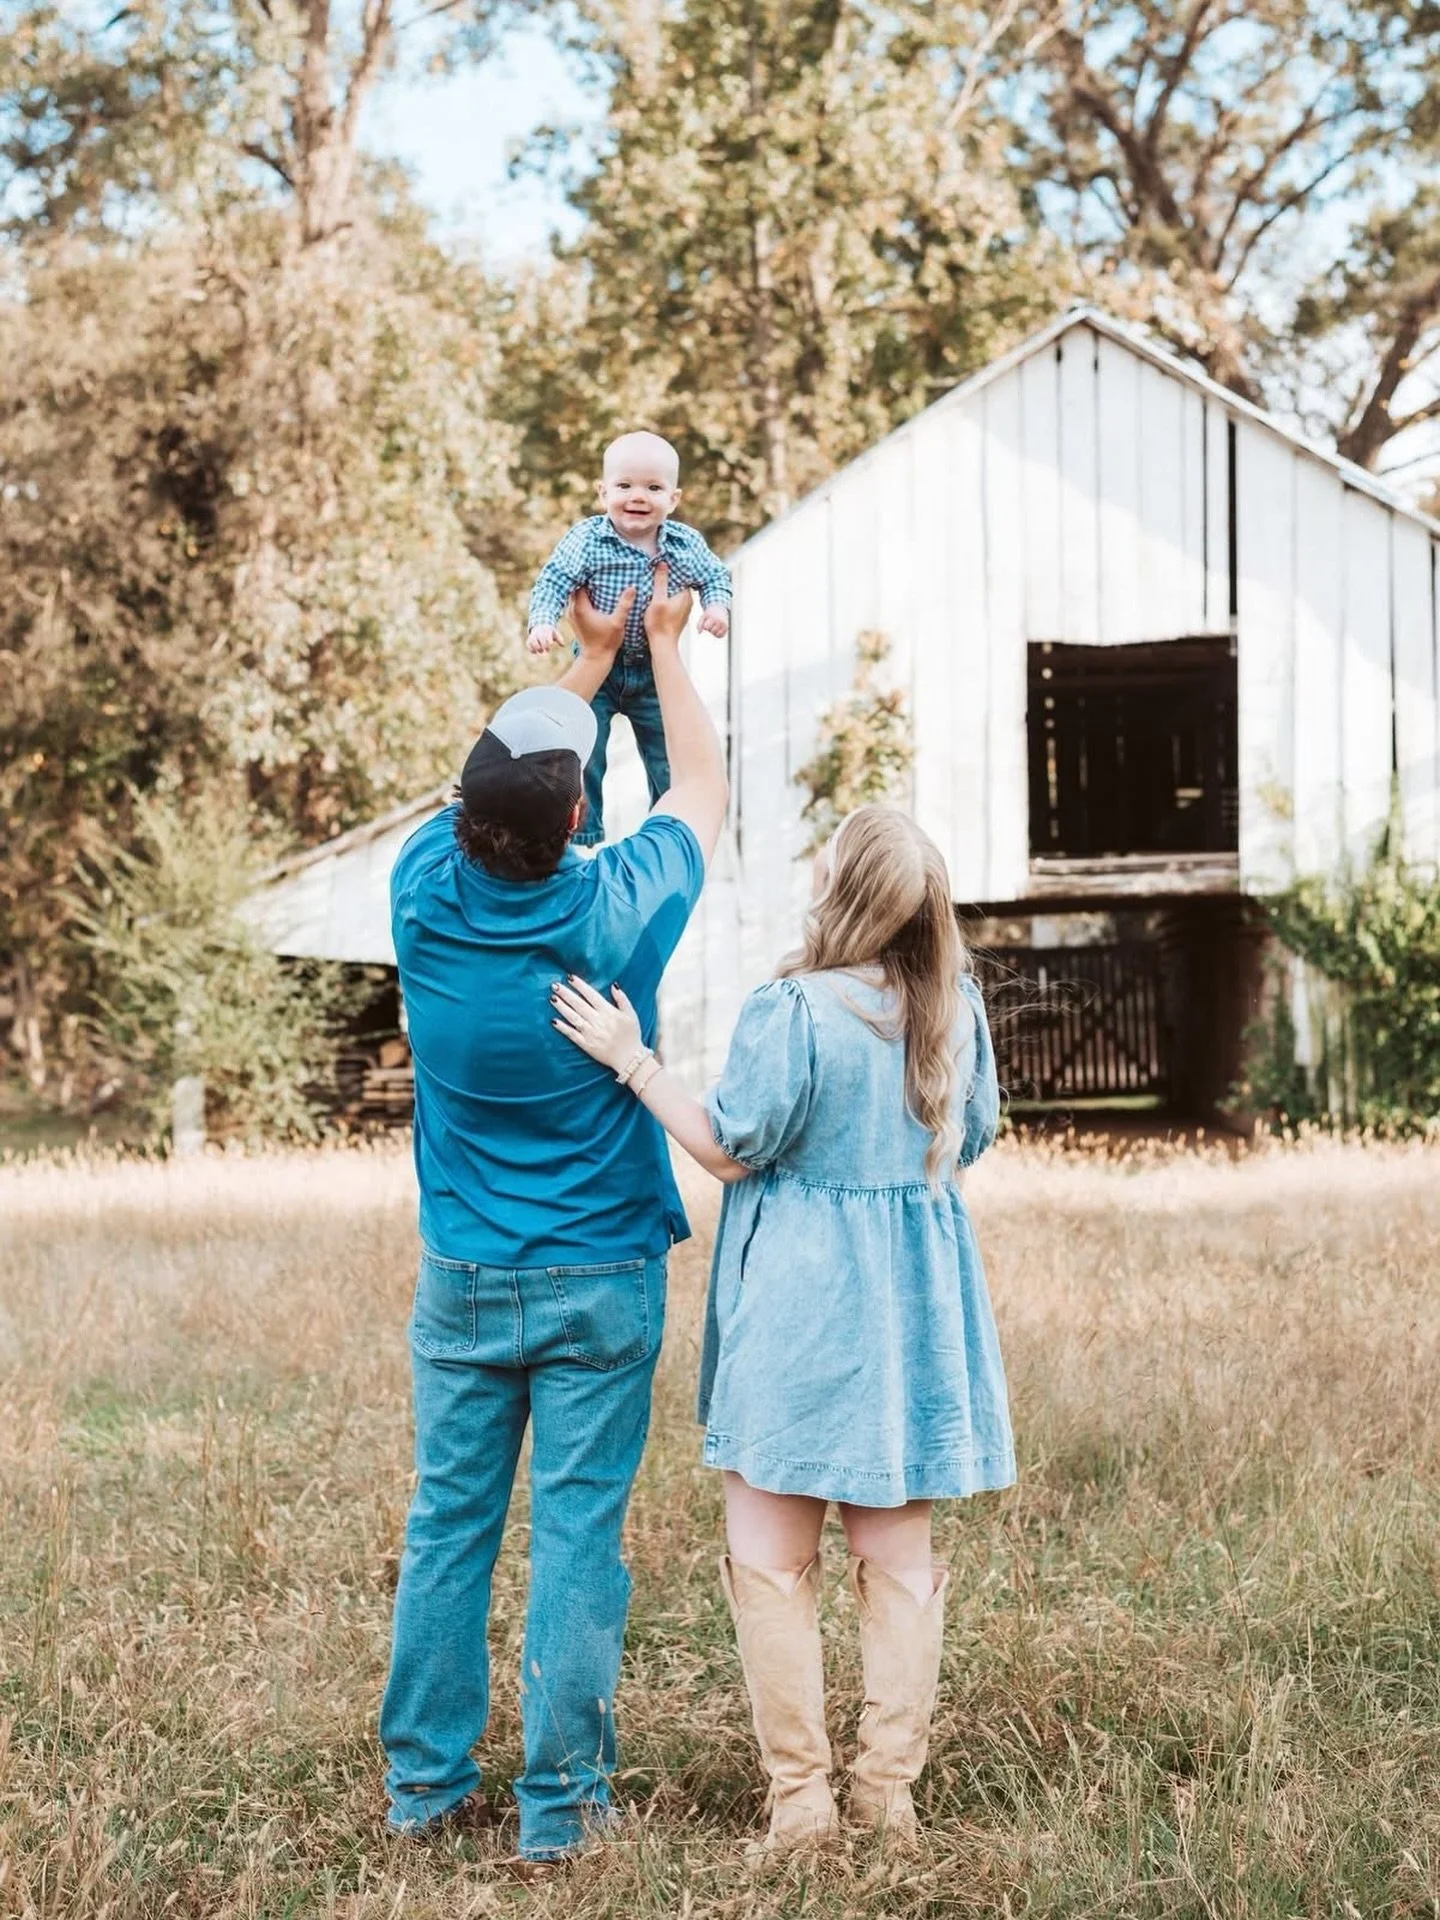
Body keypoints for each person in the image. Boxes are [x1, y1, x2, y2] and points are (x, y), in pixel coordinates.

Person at [551, 804, 1014, 1855]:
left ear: (840, 890)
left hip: (800, 1314)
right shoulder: (956, 1012)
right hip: (910, 1323)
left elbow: (727, 1147)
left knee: (771, 1561)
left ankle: (801, 1805)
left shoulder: (792, 1011)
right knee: (897, 1563)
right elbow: (969, 1140)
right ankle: (885, 1800)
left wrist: (632, 1058)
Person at [380, 564, 728, 1866]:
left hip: (466, 1276)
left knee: (448, 1528)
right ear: (581, 812)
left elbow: (516, 759)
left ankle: (423, 1793)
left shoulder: (422, 888)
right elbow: (702, 792)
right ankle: (560, 1811)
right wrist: (665, 651)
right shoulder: (612, 906)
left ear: (467, 811)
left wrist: (583, 658)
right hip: (599, 1281)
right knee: (578, 1539)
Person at [526, 430, 732, 847]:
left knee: (667, 754)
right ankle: (583, 833)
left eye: (653, 488)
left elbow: (715, 576)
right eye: (625, 486)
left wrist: (716, 607)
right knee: (584, 750)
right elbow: (554, 580)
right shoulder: (586, 540)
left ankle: (670, 828)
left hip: (653, 672)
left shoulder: (685, 544)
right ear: (603, 493)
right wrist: (542, 622)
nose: (637, 497)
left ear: (673, 499)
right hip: (601, 667)